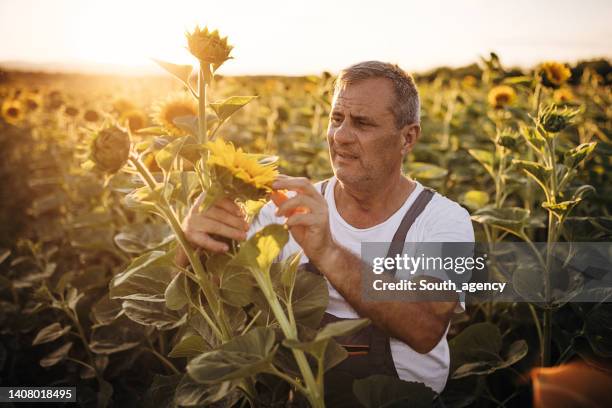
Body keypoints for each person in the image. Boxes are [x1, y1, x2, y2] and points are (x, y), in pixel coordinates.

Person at [179, 61, 474, 402]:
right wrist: (191, 240)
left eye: (362, 123)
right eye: (336, 119)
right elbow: (212, 297)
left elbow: (425, 328)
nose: (341, 136)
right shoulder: (286, 208)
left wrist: (328, 251)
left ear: (407, 138)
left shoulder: (444, 220)